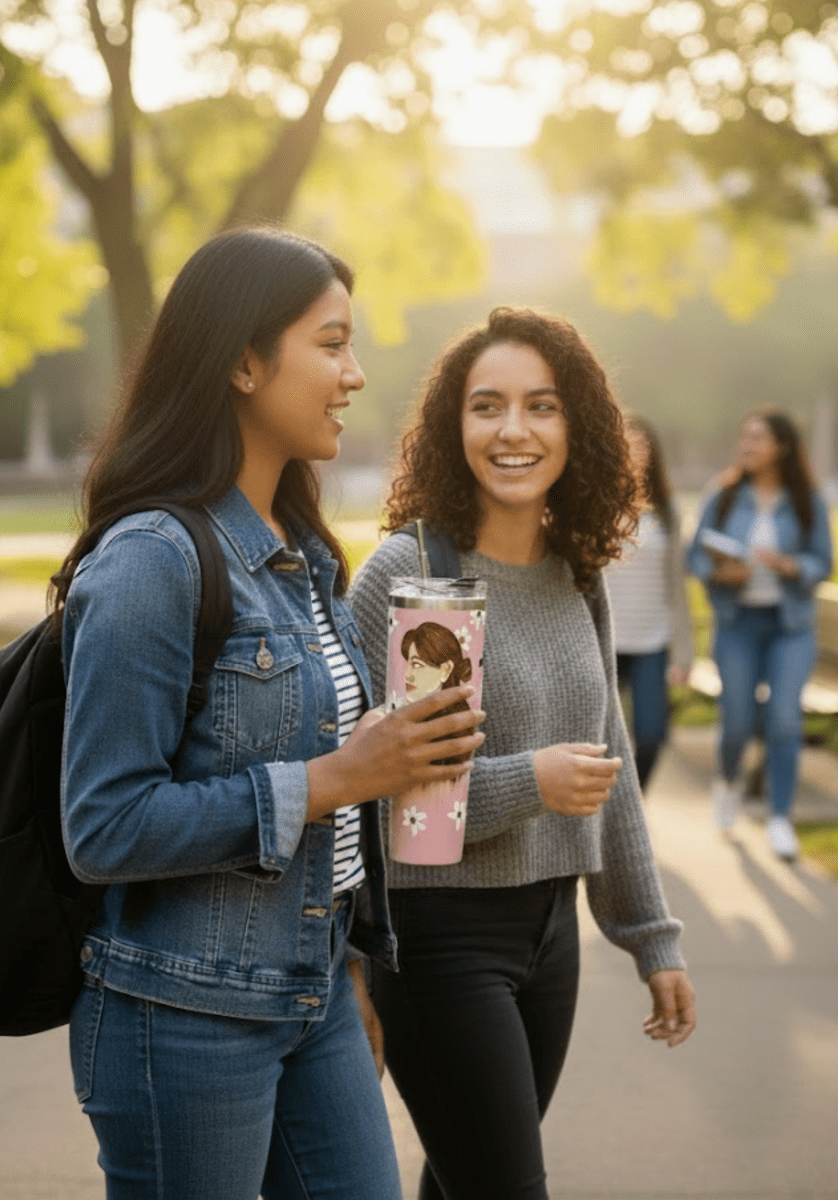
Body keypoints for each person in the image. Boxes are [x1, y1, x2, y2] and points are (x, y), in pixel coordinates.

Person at [52, 227, 485, 1200]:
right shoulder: (152, 559)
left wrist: (357, 963)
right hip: (181, 1014)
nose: (356, 375)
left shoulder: (303, 555)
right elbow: (104, 826)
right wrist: (337, 777)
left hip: (315, 994)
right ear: (244, 360)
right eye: (331, 345)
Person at [348, 307, 697, 1200]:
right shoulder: (407, 572)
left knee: (463, 1181)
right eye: (487, 406)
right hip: (436, 936)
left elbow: (608, 757)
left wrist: (650, 936)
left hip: (551, 935)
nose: (514, 431)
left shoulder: (576, 571)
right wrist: (531, 782)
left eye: (542, 406)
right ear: (451, 427)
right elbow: (368, 789)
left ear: (576, 427)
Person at [687, 407, 833, 860]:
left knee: (785, 720)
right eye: (744, 437)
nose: (747, 446)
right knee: (738, 722)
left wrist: (792, 566)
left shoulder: (805, 498)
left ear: (782, 447)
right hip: (738, 625)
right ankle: (729, 783)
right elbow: (694, 557)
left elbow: (822, 562)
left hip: (790, 626)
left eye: (758, 439)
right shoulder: (724, 495)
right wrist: (720, 574)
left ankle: (779, 818)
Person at [605, 416, 693, 790]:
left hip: (652, 642)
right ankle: (602, 816)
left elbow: (678, 590)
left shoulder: (667, 515)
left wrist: (685, 655)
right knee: (600, 739)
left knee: (653, 735)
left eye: (643, 444)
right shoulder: (594, 507)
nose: (636, 451)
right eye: (628, 443)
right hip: (604, 639)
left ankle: (633, 809)